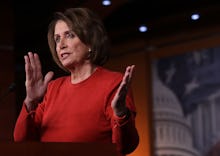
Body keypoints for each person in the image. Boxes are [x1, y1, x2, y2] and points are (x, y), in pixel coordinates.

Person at [13, 7, 139, 156]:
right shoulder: (53, 88)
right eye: (57, 39)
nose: (61, 44)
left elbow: (124, 147)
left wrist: (121, 113)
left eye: (70, 35)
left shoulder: (113, 83)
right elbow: (22, 141)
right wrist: (30, 101)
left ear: (91, 41)